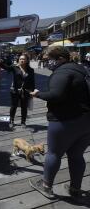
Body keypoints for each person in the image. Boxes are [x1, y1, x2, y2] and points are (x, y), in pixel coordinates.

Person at [29, 46, 90, 200]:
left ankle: (46, 186)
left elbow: (56, 94)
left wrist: (39, 94)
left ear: (61, 58)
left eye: (50, 59)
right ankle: (75, 188)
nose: (48, 62)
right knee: (76, 155)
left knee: (54, 153)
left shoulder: (62, 71)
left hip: (65, 121)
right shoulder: (82, 70)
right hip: (86, 121)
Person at [0, 53, 35, 129]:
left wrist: (33, 91)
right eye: (20, 59)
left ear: (27, 60)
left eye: (24, 59)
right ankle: (11, 121)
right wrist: (0, 64)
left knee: (24, 107)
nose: (22, 60)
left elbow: (32, 81)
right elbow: (7, 68)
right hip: (15, 90)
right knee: (13, 106)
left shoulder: (31, 70)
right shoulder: (15, 67)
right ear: (18, 60)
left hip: (25, 91)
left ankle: (23, 122)